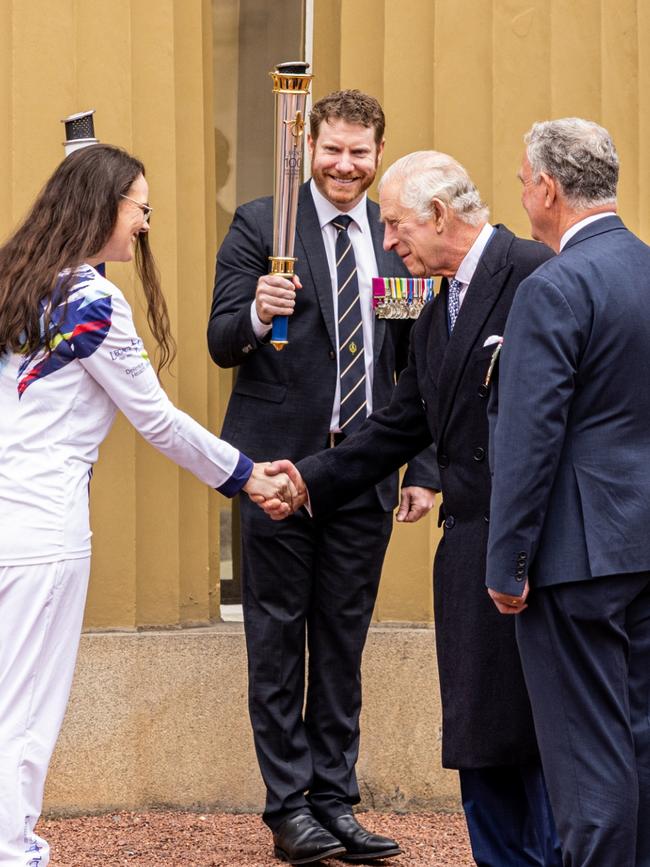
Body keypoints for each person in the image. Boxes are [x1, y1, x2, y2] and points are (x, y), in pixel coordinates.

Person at [260, 151, 563, 866]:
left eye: (395, 225)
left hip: (536, 556)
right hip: (467, 555)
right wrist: (305, 481)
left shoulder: (537, 275)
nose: (388, 240)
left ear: (438, 215)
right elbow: (400, 424)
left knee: (540, 744)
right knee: (479, 737)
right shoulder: (431, 307)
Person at [0, 143, 291, 867]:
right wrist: (247, 474)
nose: (145, 225)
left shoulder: (15, 281)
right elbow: (156, 420)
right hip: (42, 527)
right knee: (23, 709)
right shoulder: (93, 301)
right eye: (141, 208)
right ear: (105, 207)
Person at [207, 91, 438, 865]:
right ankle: (288, 807)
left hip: (362, 473)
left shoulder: (391, 235)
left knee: (342, 642)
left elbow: (414, 362)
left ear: (378, 154)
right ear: (309, 146)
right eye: (333, 149)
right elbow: (219, 340)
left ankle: (335, 799)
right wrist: (254, 313)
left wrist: (422, 466)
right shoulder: (260, 224)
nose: (346, 165)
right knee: (276, 641)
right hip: (276, 472)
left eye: (360, 153)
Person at [484, 118, 650, 866]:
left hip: (572, 553)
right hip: (641, 541)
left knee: (586, 764)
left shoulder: (553, 284)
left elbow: (528, 438)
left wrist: (506, 562)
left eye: (523, 181)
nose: (522, 194)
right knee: (639, 739)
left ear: (548, 188)